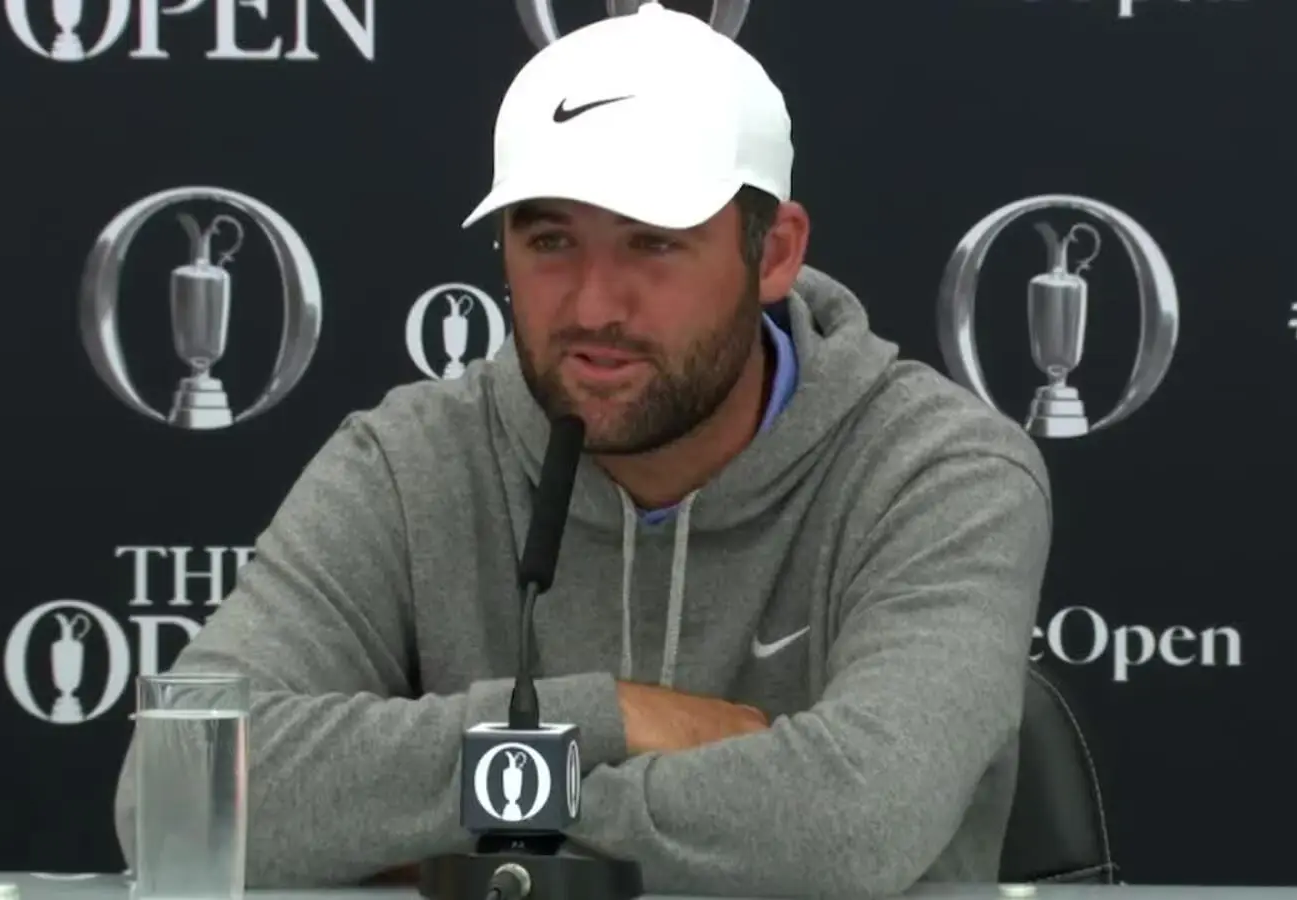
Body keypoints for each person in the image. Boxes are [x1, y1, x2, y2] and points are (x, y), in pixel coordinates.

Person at [112, 4, 1051, 897]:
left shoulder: (936, 472)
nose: (595, 303)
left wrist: (474, 834)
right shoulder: (407, 464)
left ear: (773, 254)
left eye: (653, 243)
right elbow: (176, 793)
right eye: (552, 239)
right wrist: (609, 714)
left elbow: (855, 820)